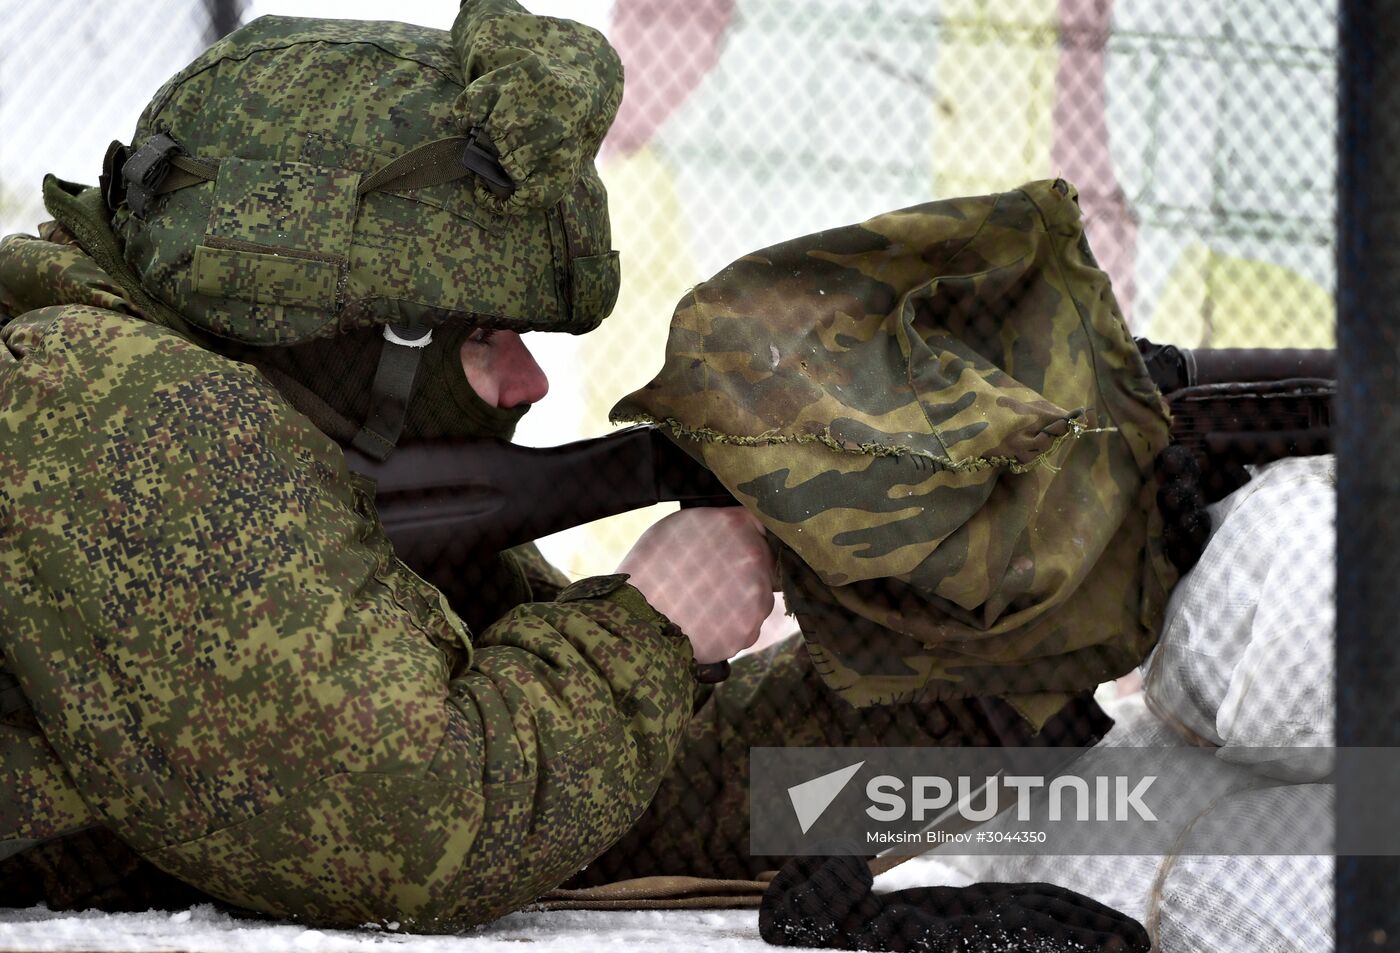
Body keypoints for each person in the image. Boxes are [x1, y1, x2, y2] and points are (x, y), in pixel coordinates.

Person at [0, 1, 1118, 931]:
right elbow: (415, 828)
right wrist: (653, 619)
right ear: (343, 330)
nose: (531, 383)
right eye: (484, 335)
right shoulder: (113, 405)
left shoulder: (310, 444)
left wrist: (973, 658)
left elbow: (618, 794)